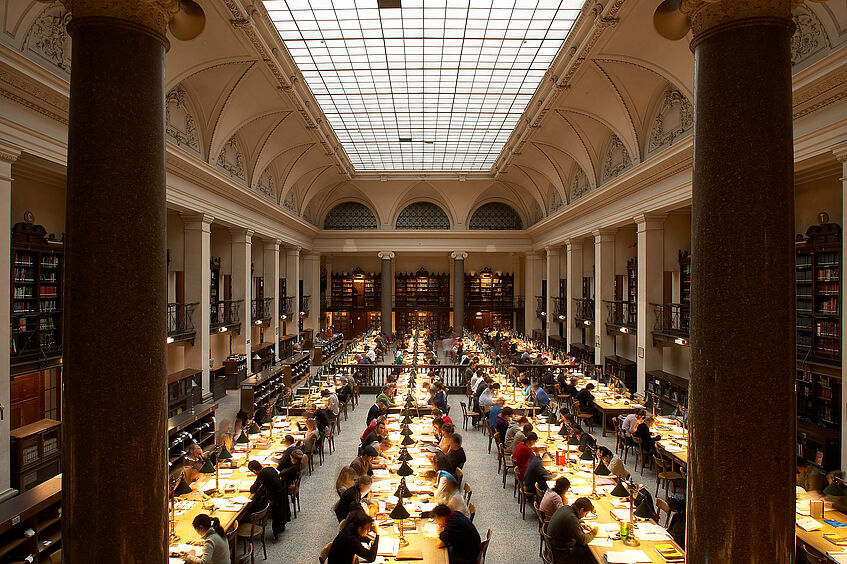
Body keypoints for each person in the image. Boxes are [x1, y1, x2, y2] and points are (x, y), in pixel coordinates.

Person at [547, 497, 598, 563]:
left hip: (553, 546)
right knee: (591, 558)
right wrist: (594, 532)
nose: (585, 516)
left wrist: (579, 523)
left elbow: (568, 521)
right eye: (586, 513)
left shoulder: (566, 507)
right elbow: (582, 540)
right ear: (581, 510)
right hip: (561, 552)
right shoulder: (571, 518)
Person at [247, 460, 290, 539]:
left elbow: (253, 490)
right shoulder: (270, 468)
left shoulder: (262, 474)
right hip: (279, 496)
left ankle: (247, 523)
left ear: (254, 471)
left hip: (274, 499)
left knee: (251, 507)